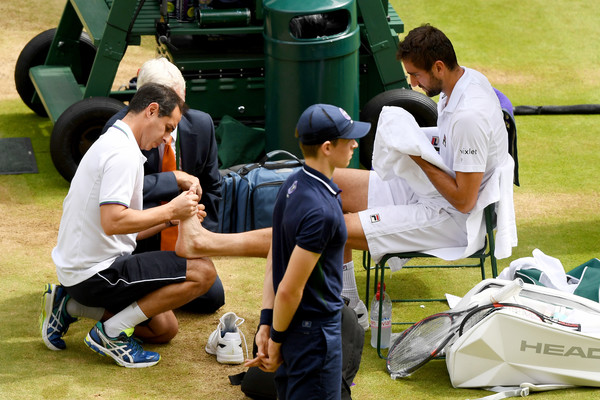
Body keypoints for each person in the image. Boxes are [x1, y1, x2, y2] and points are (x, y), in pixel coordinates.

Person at [41, 83, 217, 368]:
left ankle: (69, 304)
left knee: (164, 330)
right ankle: (109, 334)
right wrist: (171, 208)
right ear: (151, 111)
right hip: (95, 274)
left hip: (82, 272)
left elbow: (124, 227)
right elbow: (113, 222)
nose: (168, 139)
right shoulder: (122, 153)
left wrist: (170, 218)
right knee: (203, 271)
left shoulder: (116, 142)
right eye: (168, 127)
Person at [236, 103, 369, 399]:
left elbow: (276, 257)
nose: (354, 144)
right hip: (315, 336)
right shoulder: (322, 210)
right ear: (326, 147)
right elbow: (289, 289)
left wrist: (268, 322)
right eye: (347, 138)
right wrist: (276, 340)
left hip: (297, 329)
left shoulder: (293, 184)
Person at [103, 57, 224, 314]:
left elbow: (213, 188)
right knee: (163, 318)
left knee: (212, 298)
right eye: (168, 107)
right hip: (139, 241)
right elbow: (122, 193)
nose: (177, 113)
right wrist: (174, 178)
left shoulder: (202, 125)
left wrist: (201, 235)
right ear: (149, 106)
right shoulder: (118, 130)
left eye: (180, 103)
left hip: (183, 238)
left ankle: (156, 294)